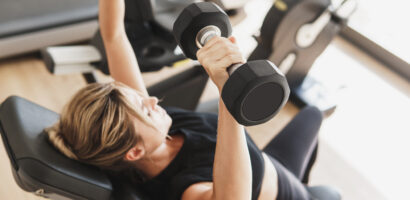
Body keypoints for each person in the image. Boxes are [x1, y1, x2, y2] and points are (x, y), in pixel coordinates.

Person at [45, 0, 323, 199]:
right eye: (147, 110)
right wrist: (228, 92)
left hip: (271, 162)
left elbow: (114, 35)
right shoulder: (184, 188)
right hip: (289, 194)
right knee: (327, 192)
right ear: (134, 153)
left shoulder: (139, 131)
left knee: (313, 115)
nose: (152, 100)